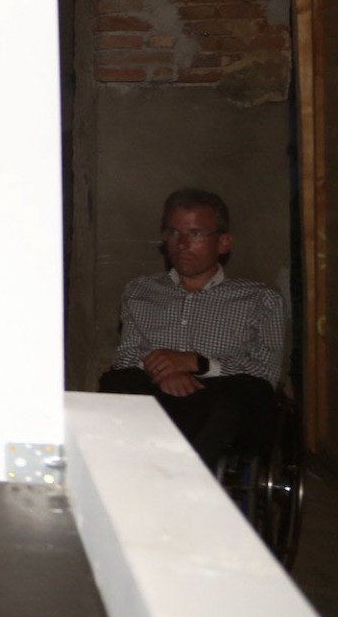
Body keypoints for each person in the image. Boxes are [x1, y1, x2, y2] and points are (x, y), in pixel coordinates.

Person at [97, 189, 287, 470]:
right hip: (156, 390)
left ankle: (186, 479)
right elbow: (125, 357)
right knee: (115, 383)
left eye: (195, 234)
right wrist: (164, 368)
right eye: (174, 233)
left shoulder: (260, 298)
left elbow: (266, 371)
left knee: (247, 395)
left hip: (220, 394)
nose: (182, 244)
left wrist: (197, 363)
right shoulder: (140, 291)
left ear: (223, 243)